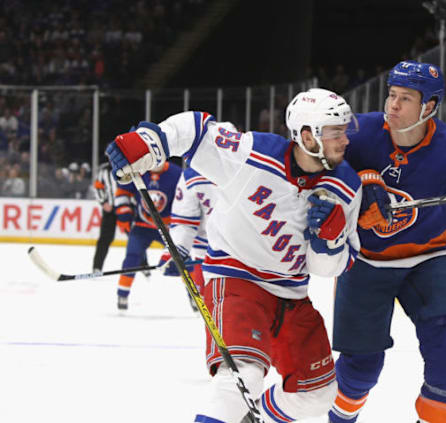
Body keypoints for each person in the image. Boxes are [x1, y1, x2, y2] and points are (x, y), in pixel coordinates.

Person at [105, 88, 362, 423]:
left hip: (292, 295)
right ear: (307, 135)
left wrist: (329, 243)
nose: (345, 140)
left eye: (344, 130)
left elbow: (330, 267)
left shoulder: (346, 186)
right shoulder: (254, 154)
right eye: (335, 133)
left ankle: (251, 417)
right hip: (236, 279)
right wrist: (151, 141)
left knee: (317, 397)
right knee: (243, 376)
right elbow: (197, 130)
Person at [328, 61, 446, 423]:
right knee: (360, 370)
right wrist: (359, 180)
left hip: (430, 259)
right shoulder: (358, 132)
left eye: (405, 99)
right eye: (391, 95)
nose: (392, 105)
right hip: (366, 261)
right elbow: (314, 164)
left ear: (429, 107)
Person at [113, 159, 182, 310]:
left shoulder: (177, 173)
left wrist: (181, 222)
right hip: (142, 225)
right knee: (132, 257)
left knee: (182, 259)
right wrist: (124, 213)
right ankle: (122, 294)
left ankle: (196, 296)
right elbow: (123, 191)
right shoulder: (138, 171)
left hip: (168, 227)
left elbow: (186, 199)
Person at [156, 163, 220, 312]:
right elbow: (183, 222)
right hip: (208, 259)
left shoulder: (256, 161)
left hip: (259, 258)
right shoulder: (192, 175)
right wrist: (175, 252)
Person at [92, 161, 117, 273]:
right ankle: (97, 267)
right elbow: (97, 187)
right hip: (110, 210)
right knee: (105, 239)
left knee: (136, 237)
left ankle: (143, 266)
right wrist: (103, 202)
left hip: (127, 208)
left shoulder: (128, 167)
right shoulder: (104, 171)